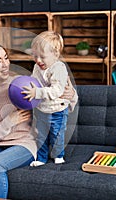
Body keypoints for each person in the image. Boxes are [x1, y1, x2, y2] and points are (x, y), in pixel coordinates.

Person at [0, 41, 77, 198]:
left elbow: (53, 99)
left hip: (24, 143)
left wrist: (71, 96)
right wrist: (9, 122)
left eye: (6, 58)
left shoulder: (23, 84)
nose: (5, 65)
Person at [22, 31, 78, 167]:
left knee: (57, 135)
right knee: (41, 136)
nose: (38, 60)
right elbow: (34, 83)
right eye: (35, 56)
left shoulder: (59, 68)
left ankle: (58, 155)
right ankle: (41, 158)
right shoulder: (37, 67)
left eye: (42, 56)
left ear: (56, 55)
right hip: (41, 110)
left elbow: (57, 90)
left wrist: (37, 92)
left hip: (57, 110)